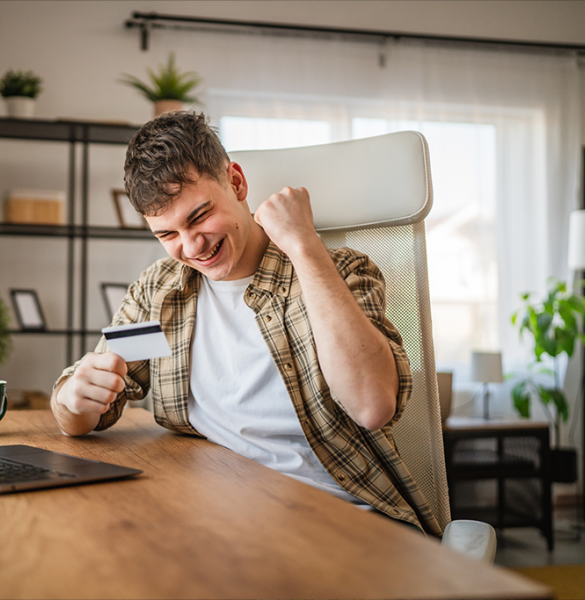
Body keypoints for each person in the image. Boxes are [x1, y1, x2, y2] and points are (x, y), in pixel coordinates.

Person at [50, 111, 441, 535]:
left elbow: (372, 406)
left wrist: (304, 245)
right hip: (216, 515)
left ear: (236, 183)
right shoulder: (163, 294)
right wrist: (74, 399)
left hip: (338, 520)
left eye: (199, 216)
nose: (191, 246)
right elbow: (89, 405)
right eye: (167, 234)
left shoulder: (338, 272)